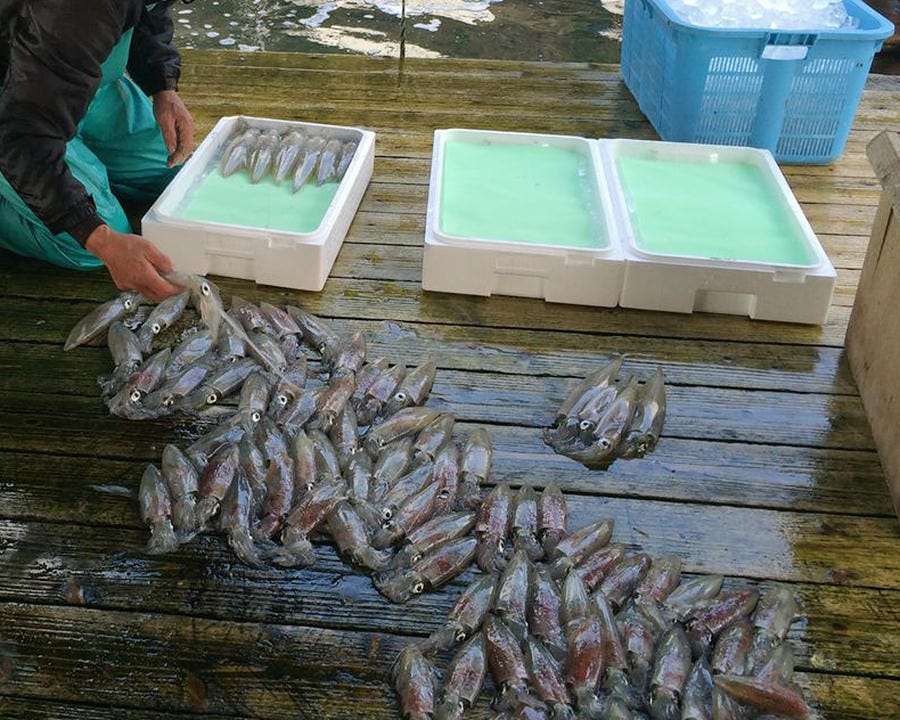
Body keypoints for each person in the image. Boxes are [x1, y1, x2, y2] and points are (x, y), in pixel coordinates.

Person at [0, 0, 195, 300]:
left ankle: (71, 145)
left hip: (66, 74)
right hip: (16, 107)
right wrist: (98, 237)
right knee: (90, 243)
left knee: (177, 172)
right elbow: (24, 134)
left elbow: (148, 11)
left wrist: (163, 84)